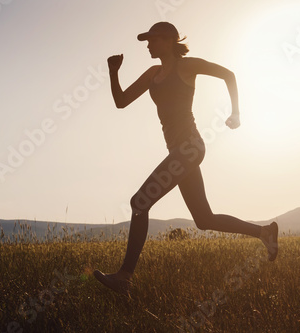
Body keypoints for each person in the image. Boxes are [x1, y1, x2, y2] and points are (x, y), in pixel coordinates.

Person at [94, 22, 278, 296]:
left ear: (169, 40)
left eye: (152, 40)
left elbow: (228, 74)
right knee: (204, 218)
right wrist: (112, 72)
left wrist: (236, 112)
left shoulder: (187, 66)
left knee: (139, 202)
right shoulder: (153, 73)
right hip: (178, 152)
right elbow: (121, 101)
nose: (148, 45)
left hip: (190, 148)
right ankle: (265, 233)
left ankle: (124, 276)